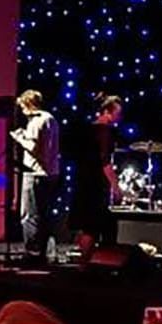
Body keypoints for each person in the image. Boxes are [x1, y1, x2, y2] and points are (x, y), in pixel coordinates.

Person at [68, 93, 122, 256]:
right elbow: (105, 161)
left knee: (89, 225)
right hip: (95, 183)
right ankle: (87, 263)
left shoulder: (86, 130)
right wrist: (115, 185)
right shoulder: (105, 131)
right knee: (92, 226)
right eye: (117, 113)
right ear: (106, 111)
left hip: (83, 180)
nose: (119, 117)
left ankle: (87, 262)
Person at [8, 89, 59, 262]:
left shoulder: (36, 121)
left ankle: (32, 253)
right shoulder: (51, 118)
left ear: (28, 104)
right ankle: (48, 253)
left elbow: (34, 148)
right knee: (45, 215)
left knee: (29, 214)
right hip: (50, 173)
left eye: (23, 106)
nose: (22, 111)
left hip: (35, 172)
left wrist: (19, 138)